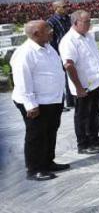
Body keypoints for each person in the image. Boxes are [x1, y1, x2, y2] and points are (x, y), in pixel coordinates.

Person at [11, 20, 70, 181]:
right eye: (47, 29)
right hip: (35, 103)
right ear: (36, 34)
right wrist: (30, 105)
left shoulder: (48, 47)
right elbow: (23, 81)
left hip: (52, 100)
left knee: (50, 131)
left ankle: (47, 162)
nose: (51, 31)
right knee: (36, 135)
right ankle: (34, 169)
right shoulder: (25, 53)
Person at [60, 10, 99, 155]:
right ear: (76, 23)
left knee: (95, 112)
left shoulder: (87, 36)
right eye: (87, 22)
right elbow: (69, 65)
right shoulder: (69, 40)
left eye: (90, 21)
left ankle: (94, 138)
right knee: (82, 115)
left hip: (96, 83)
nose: (90, 24)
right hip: (83, 86)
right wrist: (79, 87)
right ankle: (83, 145)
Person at [47, 0, 75, 112]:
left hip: (70, 52)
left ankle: (71, 101)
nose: (67, 8)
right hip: (58, 54)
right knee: (60, 79)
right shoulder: (51, 22)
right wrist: (55, 55)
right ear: (56, 9)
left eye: (67, 6)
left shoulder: (69, 19)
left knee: (71, 76)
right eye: (64, 6)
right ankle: (60, 104)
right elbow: (50, 40)